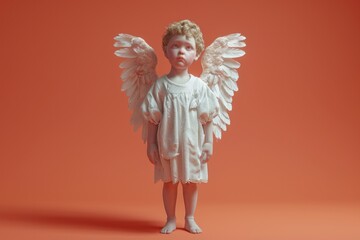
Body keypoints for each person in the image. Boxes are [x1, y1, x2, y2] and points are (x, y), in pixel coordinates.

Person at [141, 20, 219, 234]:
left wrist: (208, 142)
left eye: (188, 47)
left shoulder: (199, 86)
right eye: (176, 46)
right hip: (169, 143)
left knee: (191, 182)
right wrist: (151, 145)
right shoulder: (161, 86)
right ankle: (171, 218)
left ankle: (190, 217)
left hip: (192, 143)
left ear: (197, 54)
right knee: (170, 182)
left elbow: (208, 117)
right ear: (166, 50)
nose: (181, 52)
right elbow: (152, 117)